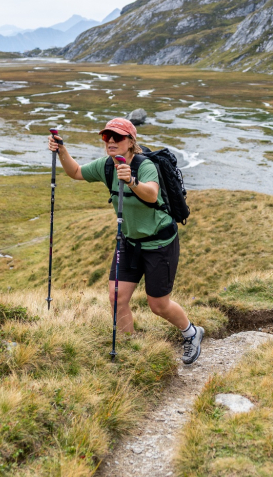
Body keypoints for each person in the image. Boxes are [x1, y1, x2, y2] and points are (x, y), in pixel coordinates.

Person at [48, 118, 204, 364]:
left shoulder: (145, 165)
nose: (111, 141)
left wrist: (131, 180)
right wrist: (62, 150)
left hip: (159, 243)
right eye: (106, 136)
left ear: (131, 142)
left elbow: (151, 195)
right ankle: (130, 350)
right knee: (117, 298)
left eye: (118, 137)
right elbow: (75, 172)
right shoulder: (106, 166)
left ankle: (191, 332)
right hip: (129, 242)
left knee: (158, 305)